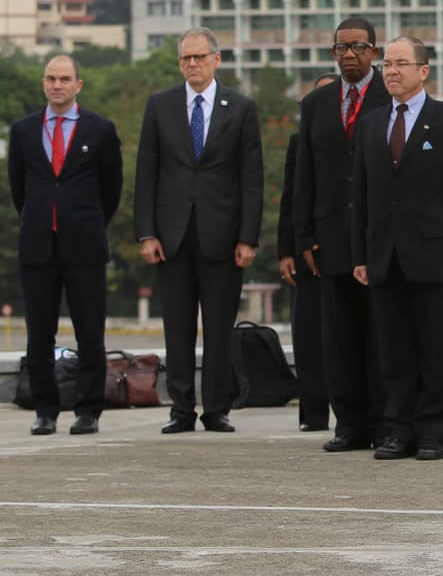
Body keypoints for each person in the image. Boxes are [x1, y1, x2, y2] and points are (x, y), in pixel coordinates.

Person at [350, 36, 443, 461]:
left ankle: (432, 430)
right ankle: (396, 429)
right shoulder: (371, 124)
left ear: (423, 71)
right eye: (387, 64)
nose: (391, 71)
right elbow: (363, 197)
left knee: (438, 348)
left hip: (435, 253)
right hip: (384, 255)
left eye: (401, 64)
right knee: (394, 349)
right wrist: (361, 255)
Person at [135, 27, 264, 434]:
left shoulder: (240, 107)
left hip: (223, 236)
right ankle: (181, 409)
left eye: (199, 57)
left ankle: (216, 409)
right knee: (177, 327)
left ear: (216, 59)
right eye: (185, 58)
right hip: (171, 236)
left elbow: (251, 178)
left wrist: (248, 237)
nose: (192, 64)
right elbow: (146, 173)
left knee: (219, 327)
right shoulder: (160, 105)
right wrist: (146, 233)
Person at [8, 55, 122, 435]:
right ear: (44, 83)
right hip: (38, 246)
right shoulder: (24, 131)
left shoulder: (100, 130)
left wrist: (87, 224)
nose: (57, 85)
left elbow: (112, 189)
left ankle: (88, 409)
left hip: (84, 247)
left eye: (65, 79)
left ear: (79, 85)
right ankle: (45, 409)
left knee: (90, 332)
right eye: (51, 79)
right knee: (39, 333)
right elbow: (18, 189)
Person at [293, 17, 390, 453]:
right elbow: (304, 174)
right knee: (339, 337)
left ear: (374, 52)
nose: (349, 55)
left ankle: (385, 421)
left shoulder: (392, 98)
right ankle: (349, 423)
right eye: (341, 48)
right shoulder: (316, 104)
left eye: (358, 47)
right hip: (330, 238)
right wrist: (305, 236)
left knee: (380, 334)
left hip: (378, 237)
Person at [279, 71, 339, 432]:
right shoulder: (298, 142)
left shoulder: (364, 133)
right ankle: (313, 413)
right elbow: (291, 197)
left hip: (348, 251)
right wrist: (287, 249)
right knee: (308, 335)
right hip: (308, 251)